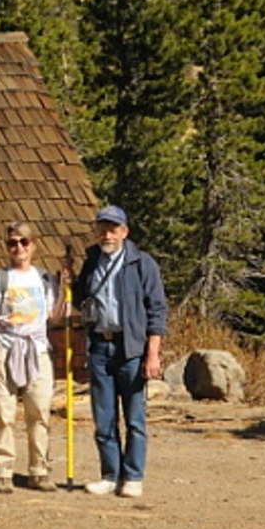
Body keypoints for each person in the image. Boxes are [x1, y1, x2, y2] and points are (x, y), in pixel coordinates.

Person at [72, 205, 168, 498]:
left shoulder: (142, 263)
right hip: (100, 344)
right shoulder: (91, 261)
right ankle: (109, 475)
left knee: (135, 417)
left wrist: (153, 354)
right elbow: (81, 300)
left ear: (125, 231)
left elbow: (157, 310)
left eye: (113, 228)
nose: (107, 234)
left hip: (131, 348)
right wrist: (69, 281)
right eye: (102, 228)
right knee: (104, 417)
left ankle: (133, 476)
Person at [0, 220, 65, 494]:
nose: (18, 248)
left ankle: (39, 470)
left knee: (39, 412)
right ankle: (3, 470)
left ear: (33, 245)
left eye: (23, 242)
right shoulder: (0, 279)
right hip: (5, 349)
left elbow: (55, 315)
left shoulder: (43, 279)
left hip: (37, 351)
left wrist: (64, 285)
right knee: (2, 413)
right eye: (13, 243)